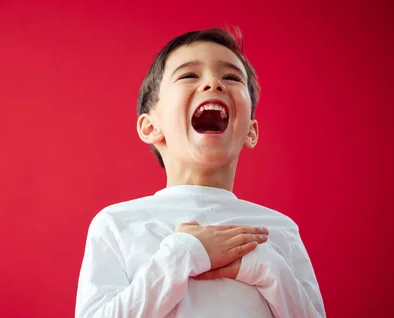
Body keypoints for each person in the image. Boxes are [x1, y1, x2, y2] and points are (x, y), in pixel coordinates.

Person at [75, 27, 325, 318]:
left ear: (251, 132)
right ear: (150, 126)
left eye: (231, 77)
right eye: (188, 75)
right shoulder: (115, 225)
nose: (214, 83)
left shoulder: (280, 231)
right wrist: (184, 253)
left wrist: (266, 265)